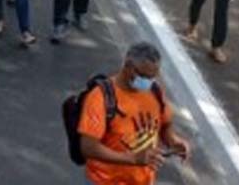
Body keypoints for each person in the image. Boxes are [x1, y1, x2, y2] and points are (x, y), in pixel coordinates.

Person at [78, 42, 190, 185]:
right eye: (144, 76)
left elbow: (164, 124)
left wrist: (173, 141)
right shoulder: (100, 98)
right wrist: (133, 159)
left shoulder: (154, 91)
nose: (148, 82)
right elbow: (88, 147)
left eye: (153, 77)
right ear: (128, 66)